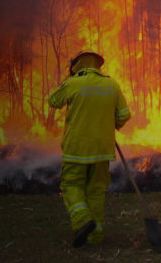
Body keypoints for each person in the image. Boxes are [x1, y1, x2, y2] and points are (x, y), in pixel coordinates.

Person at [48, 50, 131, 247]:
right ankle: (95, 237)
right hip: (102, 149)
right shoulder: (111, 84)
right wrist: (114, 122)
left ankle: (83, 221)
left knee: (71, 185)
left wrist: (69, 82)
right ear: (98, 64)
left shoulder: (73, 82)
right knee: (96, 191)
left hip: (77, 148)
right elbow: (124, 115)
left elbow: (53, 101)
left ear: (76, 64)